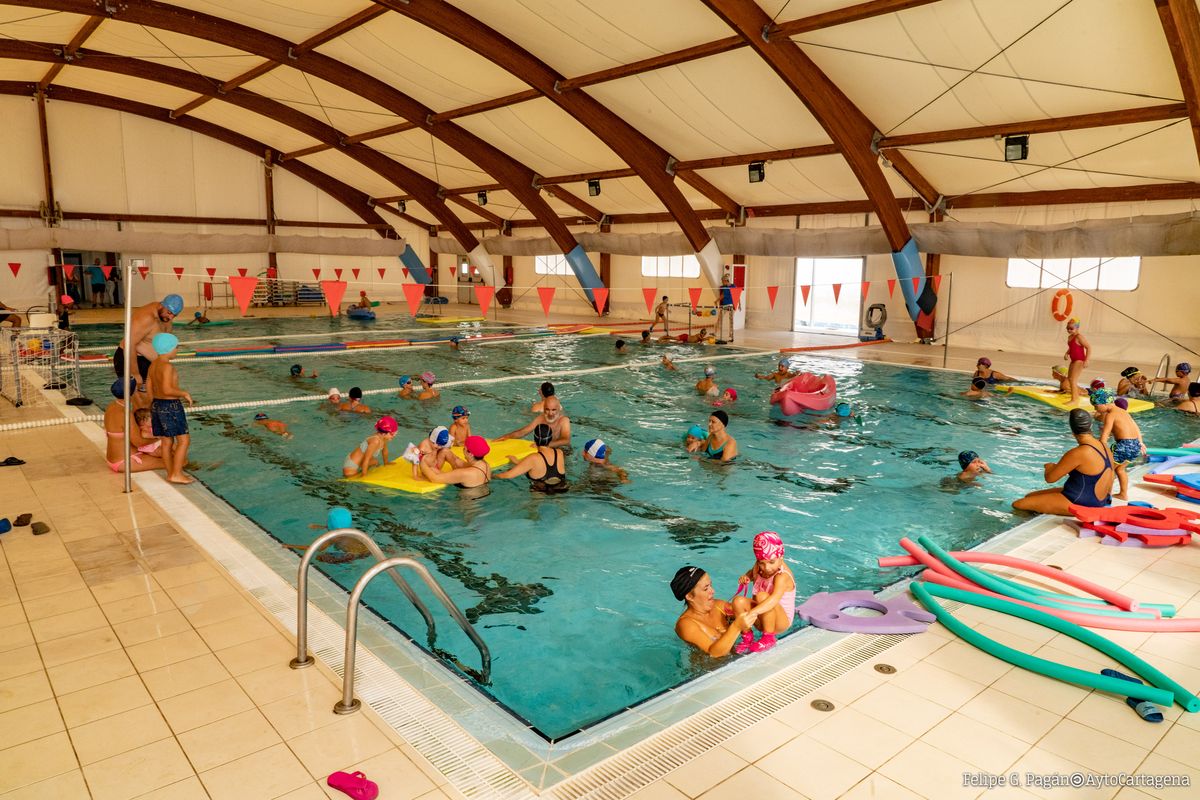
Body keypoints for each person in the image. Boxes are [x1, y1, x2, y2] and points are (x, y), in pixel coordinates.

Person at [1013, 408, 1113, 514]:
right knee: (1029, 496)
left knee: (1018, 504)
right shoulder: (1103, 445)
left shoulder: (1079, 452)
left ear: (1072, 432)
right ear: (1090, 427)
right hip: (1100, 500)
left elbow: (1050, 478)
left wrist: (1049, 467)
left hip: (1082, 502)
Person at [672, 566, 758, 658]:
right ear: (689, 596)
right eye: (706, 589)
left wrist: (759, 575)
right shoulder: (686, 624)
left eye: (710, 585)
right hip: (712, 669)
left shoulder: (718, 606)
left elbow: (751, 612)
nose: (712, 591)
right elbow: (714, 653)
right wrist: (736, 626)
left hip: (738, 657)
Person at [732, 532, 795, 653]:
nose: (766, 568)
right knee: (738, 601)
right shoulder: (760, 565)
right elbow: (752, 572)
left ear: (781, 558)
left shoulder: (782, 576)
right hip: (762, 618)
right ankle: (747, 637)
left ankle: (768, 638)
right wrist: (747, 577)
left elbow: (774, 600)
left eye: (772, 562)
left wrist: (753, 612)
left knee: (762, 596)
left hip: (780, 623)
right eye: (761, 563)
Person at [146, 333, 193, 485]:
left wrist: (153, 404)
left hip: (157, 405)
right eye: (176, 347)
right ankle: (177, 474)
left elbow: (149, 386)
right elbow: (167, 390)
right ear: (169, 348)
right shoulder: (167, 366)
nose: (177, 350)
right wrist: (184, 393)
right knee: (184, 441)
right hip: (170, 406)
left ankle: (171, 473)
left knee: (166, 443)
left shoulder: (153, 364)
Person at [113, 294, 183, 393]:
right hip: (131, 361)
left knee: (155, 396)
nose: (171, 317)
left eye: (174, 315)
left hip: (148, 362)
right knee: (139, 400)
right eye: (169, 313)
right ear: (162, 305)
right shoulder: (146, 318)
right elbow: (129, 344)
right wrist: (135, 373)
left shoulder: (165, 316)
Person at [103, 378, 165, 474]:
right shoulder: (125, 413)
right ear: (133, 391)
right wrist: (159, 437)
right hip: (126, 461)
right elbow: (138, 442)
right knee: (175, 461)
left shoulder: (112, 406)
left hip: (113, 459)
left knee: (166, 453)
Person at [1092, 388, 1144, 500]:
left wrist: (1098, 449)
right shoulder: (1123, 412)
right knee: (1120, 469)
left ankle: (1106, 495)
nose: (1095, 408)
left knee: (1108, 470)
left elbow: (1104, 436)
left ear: (1104, 403)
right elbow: (1136, 428)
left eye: (1096, 405)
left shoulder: (1110, 415)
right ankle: (1123, 494)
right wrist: (1141, 442)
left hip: (1123, 445)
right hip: (1135, 445)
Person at [496, 423, 568, 493]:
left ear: (534, 439)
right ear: (551, 438)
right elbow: (543, 466)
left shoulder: (533, 458)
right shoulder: (559, 453)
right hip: (561, 488)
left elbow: (507, 475)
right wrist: (517, 462)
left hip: (540, 491)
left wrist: (490, 475)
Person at [283, 507, 372, 564]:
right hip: (369, 550)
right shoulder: (351, 531)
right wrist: (321, 527)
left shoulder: (333, 537)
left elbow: (315, 548)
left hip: (352, 556)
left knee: (321, 557)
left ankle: (350, 565)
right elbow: (337, 526)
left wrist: (290, 546)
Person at [419, 435, 492, 492]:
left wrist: (422, 462)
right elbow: (458, 463)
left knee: (433, 470)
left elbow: (435, 479)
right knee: (435, 468)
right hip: (480, 493)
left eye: (464, 449)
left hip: (466, 506)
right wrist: (445, 452)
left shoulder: (465, 473)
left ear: (471, 454)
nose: (463, 451)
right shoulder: (485, 465)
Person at [498, 395, 571, 448]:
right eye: (547, 409)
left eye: (553, 410)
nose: (550, 413)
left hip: (562, 450)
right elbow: (523, 432)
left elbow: (565, 440)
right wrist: (506, 437)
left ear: (558, 409)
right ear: (543, 409)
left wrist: (543, 445)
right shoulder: (541, 418)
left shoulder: (564, 420)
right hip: (545, 449)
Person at [1063, 318, 1090, 406]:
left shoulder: (1079, 337)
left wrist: (1086, 360)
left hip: (1079, 360)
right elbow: (1072, 347)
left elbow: (1088, 347)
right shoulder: (1070, 337)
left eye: (1071, 328)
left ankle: (1075, 399)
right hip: (1073, 360)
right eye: (1068, 328)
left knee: (1073, 379)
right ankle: (1075, 395)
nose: (1069, 330)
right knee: (1070, 379)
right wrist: (1067, 353)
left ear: (1077, 328)